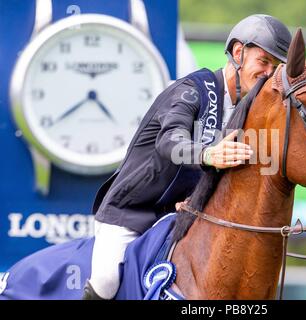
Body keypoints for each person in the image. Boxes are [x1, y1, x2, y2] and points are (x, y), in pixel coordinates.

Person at [83, 14, 292, 299]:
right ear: (239, 53)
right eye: (264, 61)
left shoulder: (248, 113)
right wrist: (209, 153)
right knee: (106, 280)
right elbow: (169, 142)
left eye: (275, 66)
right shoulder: (192, 90)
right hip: (130, 211)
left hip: (179, 216)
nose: (269, 73)